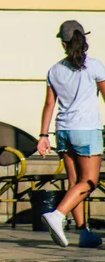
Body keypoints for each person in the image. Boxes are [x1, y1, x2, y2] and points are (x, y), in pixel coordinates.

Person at [38, 20, 105, 248]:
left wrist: (43, 135)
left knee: (75, 182)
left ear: (64, 43)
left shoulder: (54, 70)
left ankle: (84, 233)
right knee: (89, 181)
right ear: (83, 40)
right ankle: (57, 215)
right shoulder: (95, 66)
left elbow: (49, 104)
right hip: (86, 131)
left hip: (63, 131)